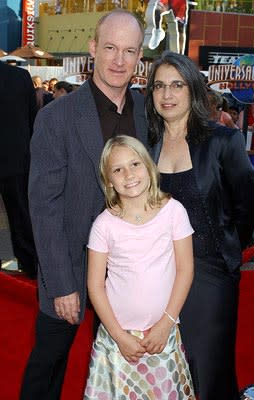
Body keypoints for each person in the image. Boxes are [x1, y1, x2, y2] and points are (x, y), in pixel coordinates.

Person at [20, 9, 147, 400]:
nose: (119, 60)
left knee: (119, 370)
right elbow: (44, 206)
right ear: (93, 48)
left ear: (139, 57)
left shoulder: (147, 112)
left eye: (129, 51)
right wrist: (60, 284)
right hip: (70, 267)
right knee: (50, 365)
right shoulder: (57, 116)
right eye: (110, 47)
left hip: (127, 274)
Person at [145, 51, 254, 400]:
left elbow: (247, 206)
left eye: (176, 85)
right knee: (162, 371)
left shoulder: (223, 141)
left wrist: (226, 250)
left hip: (210, 275)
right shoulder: (146, 145)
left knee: (207, 369)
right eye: (159, 86)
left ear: (193, 90)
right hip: (156, 275)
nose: (167, 95)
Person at [84, 135, 195, 399]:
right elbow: (95, 285)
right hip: (117, 339)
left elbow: (185, 270)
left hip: (162, 333)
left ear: (148, 166)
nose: (128, 174)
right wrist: (118, 335)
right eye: (117, 169)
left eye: (135, 164)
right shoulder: (104, 224)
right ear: (108, 180)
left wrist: (166, 324)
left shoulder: (174, 212)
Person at [0, 62, 38, 279]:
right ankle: (31, 265)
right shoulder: (20, 76)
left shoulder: (20, 77)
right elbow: (33, 118)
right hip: (18, 158)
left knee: (21, 214)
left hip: (17, 158)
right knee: (21, 215)